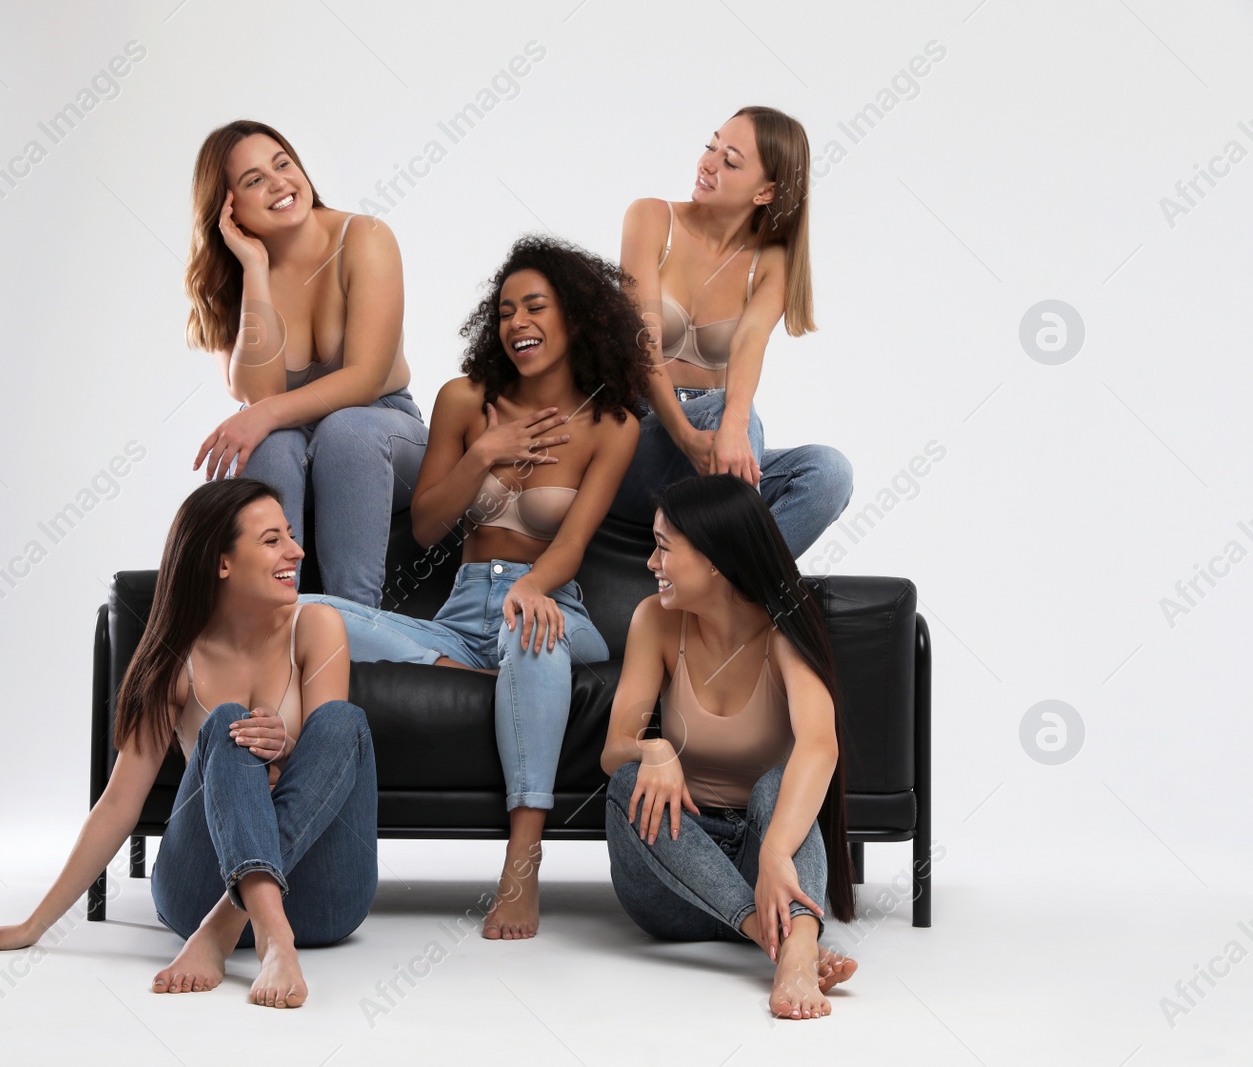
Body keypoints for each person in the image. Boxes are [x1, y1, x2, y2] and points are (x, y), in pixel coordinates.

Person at [304, 236, 647, 939]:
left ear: (577, 316)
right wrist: (484, 453)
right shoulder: (463, 400)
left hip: (553, 603)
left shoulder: (612, 424)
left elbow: (574, 542)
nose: (516, 322)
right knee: (303, 610)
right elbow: (429, 524)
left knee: (532, 629)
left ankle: (522, 864)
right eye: (504, 311)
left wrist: (534, 590)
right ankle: (464, 666)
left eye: (535, 307)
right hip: (460, 616)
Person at [0, 479, 375, 1009]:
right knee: (227, 723)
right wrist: (33, 925)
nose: (295, 551)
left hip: (322, 897)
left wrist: (287, 748)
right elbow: (119, 805)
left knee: (343, 723)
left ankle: (222, 931)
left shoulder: (316, 625)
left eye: (290, 535)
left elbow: (325, 765)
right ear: (221, 563)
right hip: (198, 887)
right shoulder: (175, 659)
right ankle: (272, 938)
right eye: (271, 539)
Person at [601, 473, 859, 1019]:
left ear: (715, 558)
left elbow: (820, 746)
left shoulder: (783, 630)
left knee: (778, 782)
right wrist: (656, 751)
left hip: (767, 866)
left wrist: (772, 853)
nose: (651, 563)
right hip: (672, 880)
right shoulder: (655, 620)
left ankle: (792, 948)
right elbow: (615, 747)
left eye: (664, 548)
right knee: (628, 782)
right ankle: (788, 942)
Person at [185, 119, 428, 606]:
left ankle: (354, 626)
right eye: (254, 180)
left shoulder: (364, 236)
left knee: (346, 430)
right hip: (296, 448)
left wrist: (263, 415)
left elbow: (364, 378)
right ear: (227, 206)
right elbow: (262, 397)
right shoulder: (225, 280)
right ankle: (277, 620)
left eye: (283, 164)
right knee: (269, 445)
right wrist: (255, 271)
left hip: (383, 435)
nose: (279, 183)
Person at [610, 105, 854, 559]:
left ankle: (729, 582)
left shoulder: (772, 263)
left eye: (730, 160)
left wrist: (732, 426)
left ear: (766, 192)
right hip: (636, 438)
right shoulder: (650, 219)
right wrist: (686, 433)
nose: (707, 162)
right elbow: (643, 343)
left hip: (712, 448)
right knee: (723, 410)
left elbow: (748, 344)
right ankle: (735, 569)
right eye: (711, 145)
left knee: (829, 472)